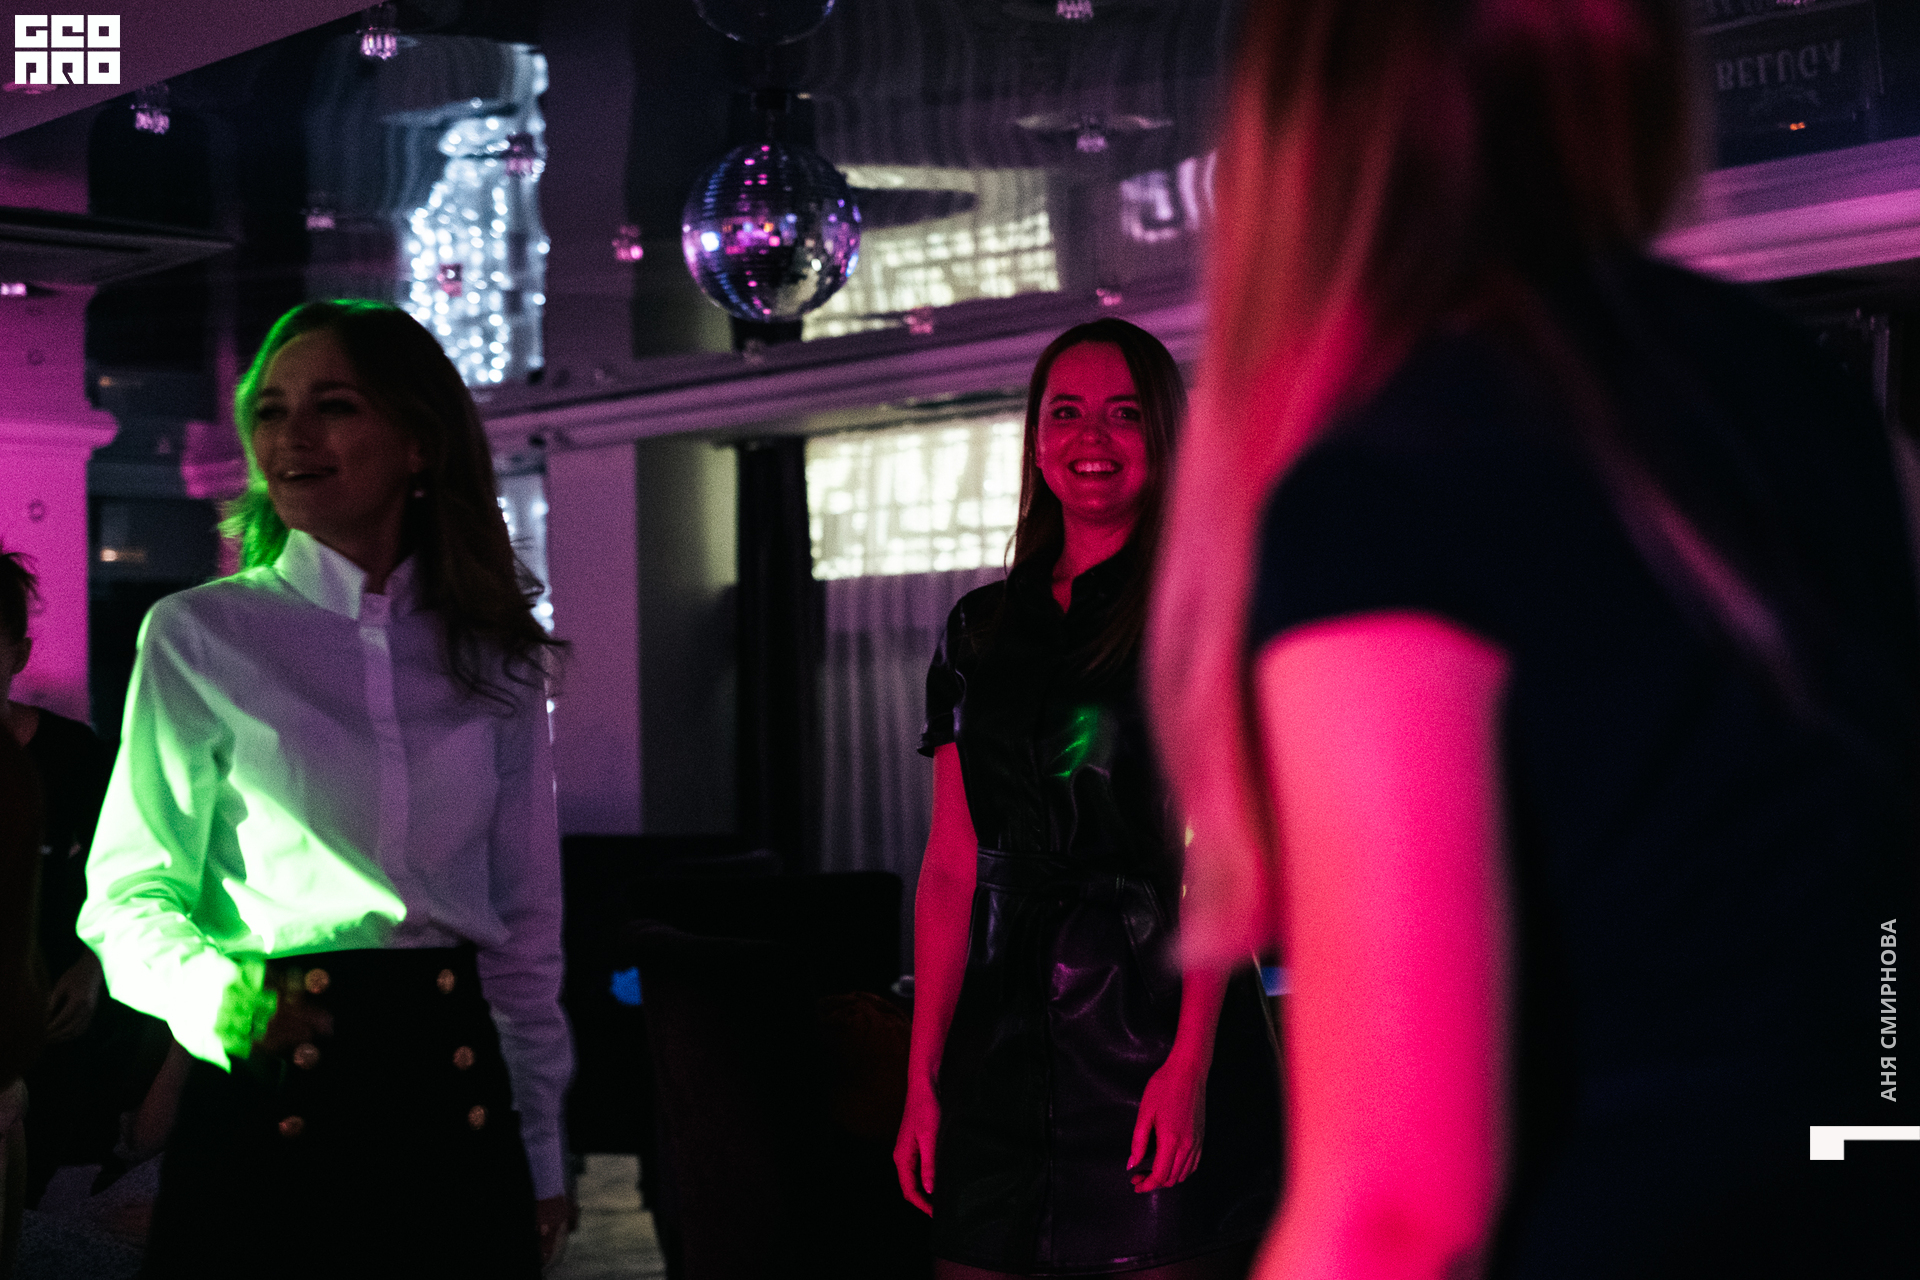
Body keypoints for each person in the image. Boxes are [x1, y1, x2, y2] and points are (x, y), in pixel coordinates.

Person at [1147, 3, 1919, 1278]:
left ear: (1306, 118)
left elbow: (1396, 1210)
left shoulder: (1390, 483)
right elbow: (1878, 1009)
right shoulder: (1806, 404)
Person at [78, 300, 573, 1277]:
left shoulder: (496, 656)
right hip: (272, 1082)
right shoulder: (200, 634)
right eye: (270, 410)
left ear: (419, 440)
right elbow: (125, 898)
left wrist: (543, 1150)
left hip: (454, 1090)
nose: (291, 436)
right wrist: (224, 1003)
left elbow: (525, 933)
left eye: (333, 405)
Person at [897, 317, 1282, 1279]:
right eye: (1065, 413)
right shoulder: (977, 629)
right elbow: (950, 866)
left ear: (1164, 436)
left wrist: (1191, 1065)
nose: (1091, 437)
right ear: (1036, 441)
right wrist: (922, 1074)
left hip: (1153, 1026)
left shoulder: (1203, 610)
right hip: (999, 1041)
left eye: (1123, 414)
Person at [1, 545, 163, 1207]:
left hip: (65, 1027)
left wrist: (94, 966)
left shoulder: (75, 757)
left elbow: (138, 875)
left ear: (18, 653)